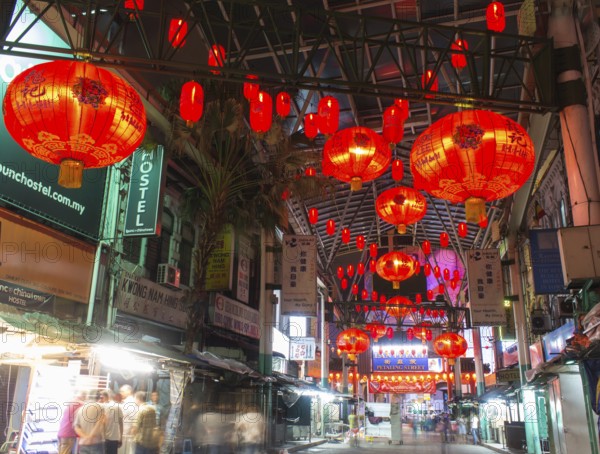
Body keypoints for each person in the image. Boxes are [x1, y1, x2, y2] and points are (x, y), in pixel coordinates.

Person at [119, 385, 137, 454]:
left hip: (127, 435)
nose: (121, 393)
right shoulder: (125, 402)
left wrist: (131, 432)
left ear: (129, 391)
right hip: (123, 434)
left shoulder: (131, 402)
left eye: (122, 391)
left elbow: (134, 419)